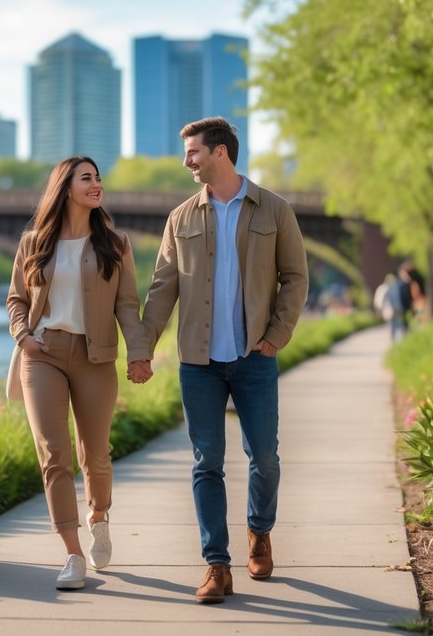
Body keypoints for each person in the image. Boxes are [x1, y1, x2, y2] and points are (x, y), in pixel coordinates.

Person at [132, 117, 309, 604]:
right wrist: (142, 349)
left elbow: (295, 277)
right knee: (206, 461)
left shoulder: (274, 210)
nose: (187, 161)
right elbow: (162, 289)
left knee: (265, 458)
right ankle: (216, 565)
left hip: (255, 357)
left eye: (193, 152)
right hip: (199, 363)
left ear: (220, 154)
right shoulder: (181, 218)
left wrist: (277, 334)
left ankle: (260, 530)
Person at [6, 156, 153, 591]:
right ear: (65, 187)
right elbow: (16, 298)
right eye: (86, 178)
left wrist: (138, 354)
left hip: (96, 356)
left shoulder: (115, 243)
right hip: (43, 354)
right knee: (54, 455)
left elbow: (127, 304)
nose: (97, 184)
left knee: (96, 454)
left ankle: (99, 515)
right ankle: (72, 554)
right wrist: (23, 336)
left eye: (98, 177)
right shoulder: (34, 242)